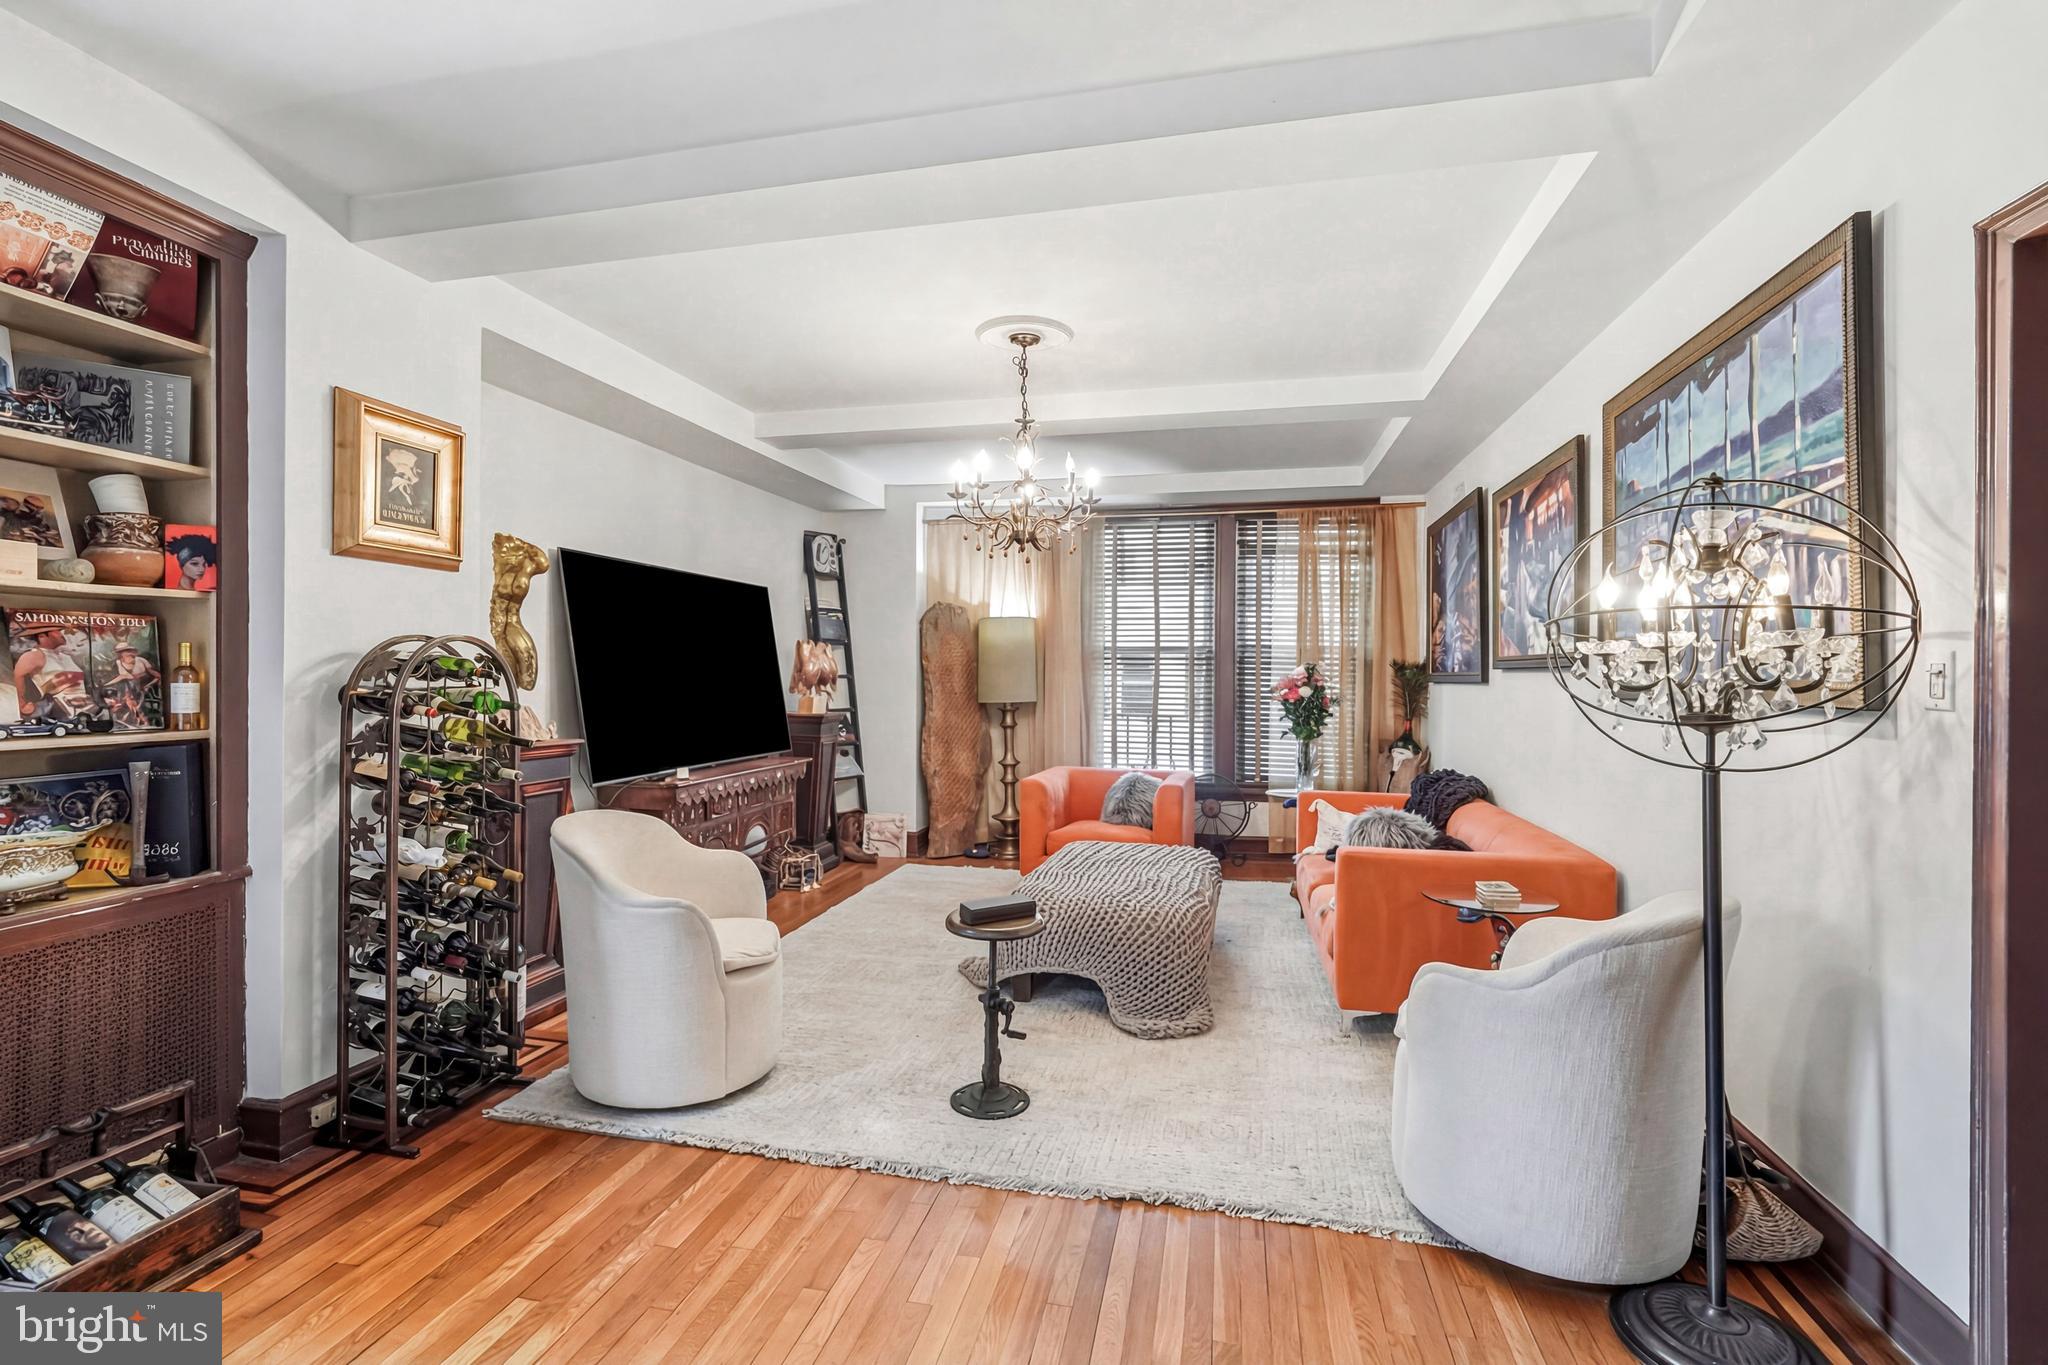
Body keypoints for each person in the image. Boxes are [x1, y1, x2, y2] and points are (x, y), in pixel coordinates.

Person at [11, 623, 90, 720]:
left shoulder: (65, 656)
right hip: (62, 712)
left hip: (85, 710)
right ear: (42, 636)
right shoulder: (34, 655)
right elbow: (17, 675)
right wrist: (22, 704)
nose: (61, 634)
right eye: (56, 631)